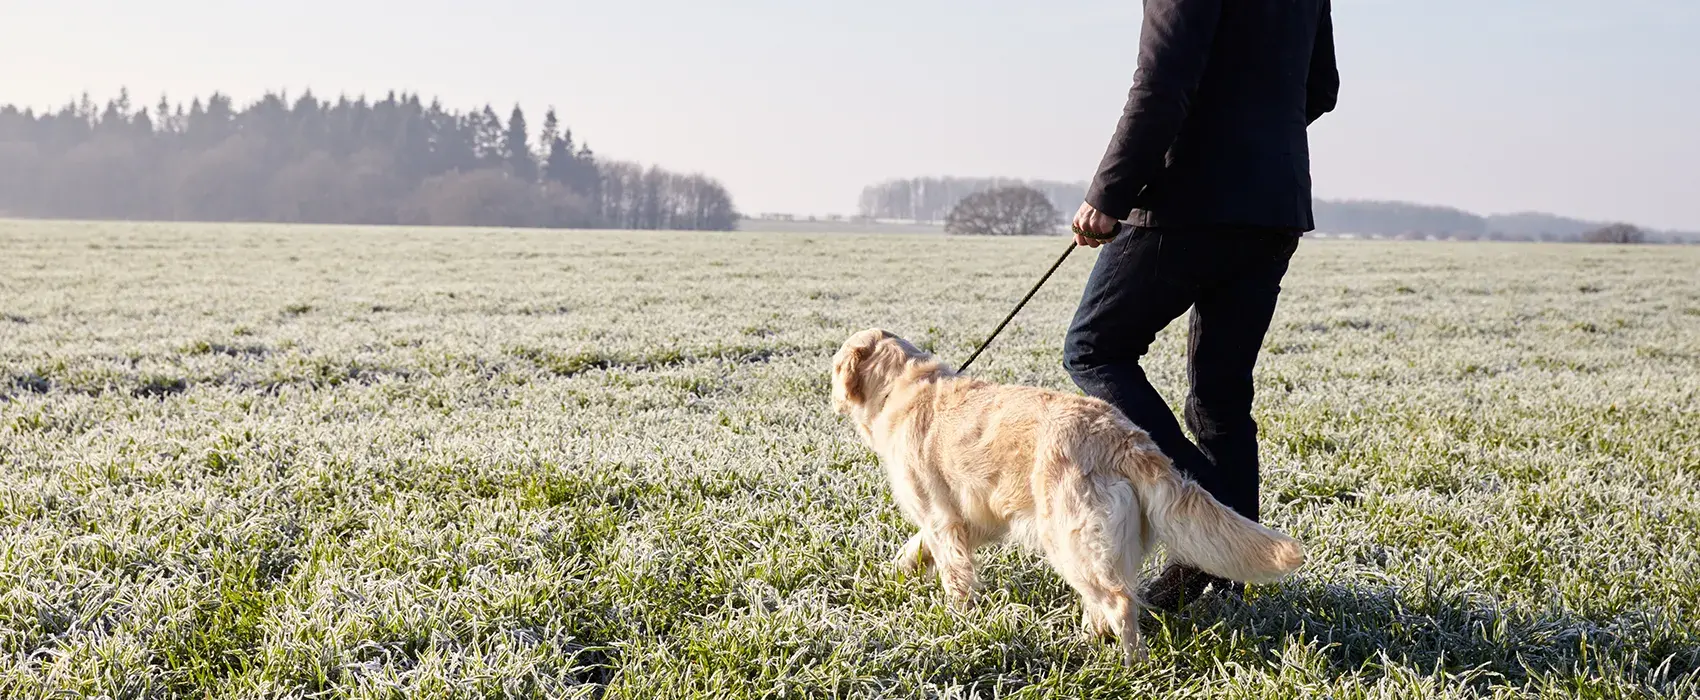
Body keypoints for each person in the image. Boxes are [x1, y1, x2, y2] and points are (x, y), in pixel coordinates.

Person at [1063, 0, 1339, 611]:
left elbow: (1162, 82)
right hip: (1275, 202)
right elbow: (1322, 87)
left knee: (1094, 348)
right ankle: (1220, 568)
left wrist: (1108, 193)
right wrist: (1258, 136)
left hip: (1191, 199)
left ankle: (1208, 518)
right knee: (1220, 394)